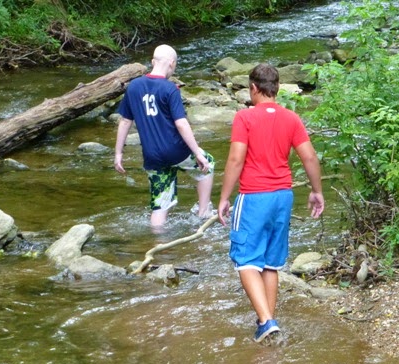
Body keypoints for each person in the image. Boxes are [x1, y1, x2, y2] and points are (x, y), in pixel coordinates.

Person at [218, 63, 325, 343]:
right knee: (270, 263)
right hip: (282, 197)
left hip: (254, 196)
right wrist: (317, 191)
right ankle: (267, 322)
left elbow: (235, 159)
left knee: (245, 261)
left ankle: (266, 321)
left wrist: (224, 197)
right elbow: (309, 157)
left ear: (253, 88)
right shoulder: (291, 118)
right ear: (276, 88)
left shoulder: (244, 117)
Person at [114, 44, 214, 229]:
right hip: (176, 151)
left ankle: (156, 240)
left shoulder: (134, 86)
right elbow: (181, 123)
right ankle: (203, 212)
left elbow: (125, 121)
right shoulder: (170, 89)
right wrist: (197, 152)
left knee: (160, 205)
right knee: (208, 164)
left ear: (153, 62)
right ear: (172, 63)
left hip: (152, 156)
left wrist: (118, 153)